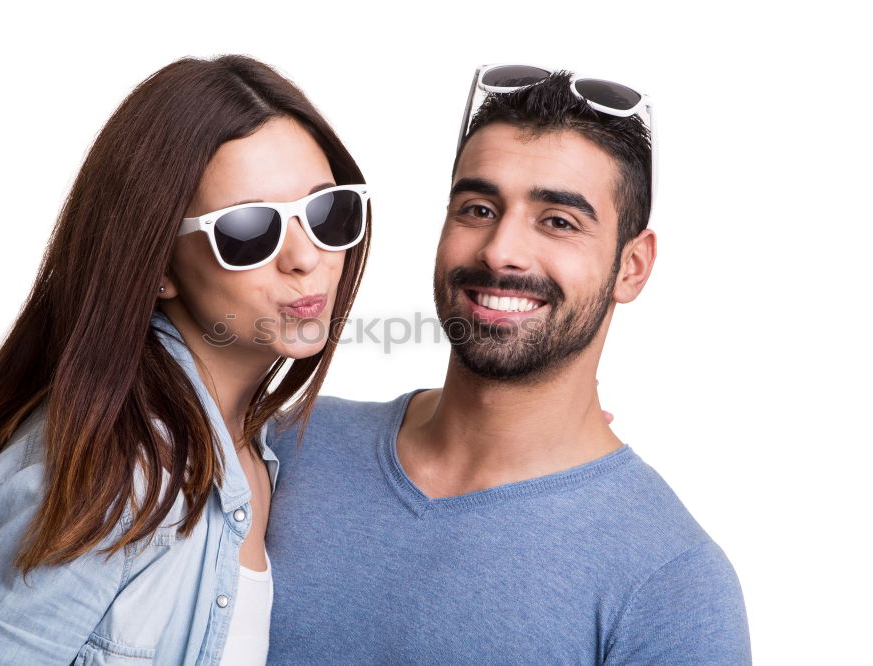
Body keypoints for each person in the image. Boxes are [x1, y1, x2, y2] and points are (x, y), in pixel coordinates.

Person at [0, 55, 371, 665]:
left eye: (328, 212)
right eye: (250, 230)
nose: (306, 258)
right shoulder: (118, 479)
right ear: (160, 265)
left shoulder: (262, 456)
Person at [265, 66, 751, 663]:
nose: (501, 251)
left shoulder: (673, 584)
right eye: (477, 209)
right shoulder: (289, 447)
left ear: (633, 267)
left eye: (558, 221)